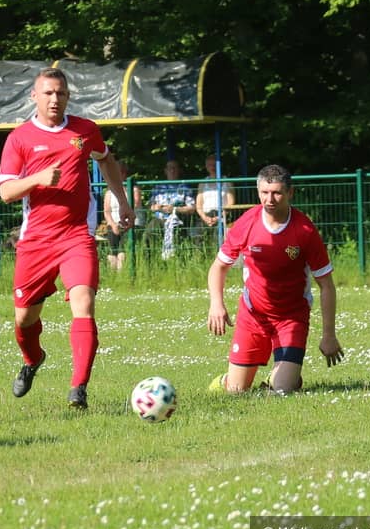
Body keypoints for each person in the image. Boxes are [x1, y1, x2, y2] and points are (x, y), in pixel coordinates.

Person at [0, 67, 132, 409]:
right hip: (36, 241)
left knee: (83, 302)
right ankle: (33, 359)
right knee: (24, 319)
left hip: (76, 236)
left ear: (68, 96)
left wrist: (122, 200)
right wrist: (38, 178)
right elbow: (6, 192)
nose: (54, 99)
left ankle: (78, 389)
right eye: (47, 93)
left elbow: (106, 160)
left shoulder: (85, 130)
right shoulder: (20, 138)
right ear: (34, 96)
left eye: (60, 93)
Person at [207, 164, 343, 395]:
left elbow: (326, 285)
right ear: (258, 191)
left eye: (277, 193)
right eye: (264, 192)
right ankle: (228, 381)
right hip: (253, 315)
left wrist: (329, 335)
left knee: (282, 390)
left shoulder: (305, 230)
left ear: (290, 193)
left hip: (291, 318)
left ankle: (285, 377)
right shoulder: (247, 222)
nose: (269, 199)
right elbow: (218, 267)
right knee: (236, 391)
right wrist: (216, 304)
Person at [145, 159, 196, 260]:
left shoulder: (185, 187)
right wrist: (156, 208)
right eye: (169, 168)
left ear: (179, 170)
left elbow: (192, 208)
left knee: (176, 231)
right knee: (149, 232)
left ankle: (175, 260)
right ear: (165, 171)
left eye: (174, 168)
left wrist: (175, 209)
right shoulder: (158, 187)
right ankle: (151, 261)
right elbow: (150, 206)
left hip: (177, 219)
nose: (172, 170)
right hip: (159, 219)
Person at [103, 159, 142, 270]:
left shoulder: (134, 189)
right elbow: (107, 211)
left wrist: (123, 223)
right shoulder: (109, 192)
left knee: (122, 251)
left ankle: (122, 273)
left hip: (131, 224)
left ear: (124, 173)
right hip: (115, 224)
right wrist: (112, 224)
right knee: (112, 251)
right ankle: (113, 274)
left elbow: (135, 204)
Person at [195, 154, 236, 243]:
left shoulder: (228, 182)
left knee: (218, 235)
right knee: (197, 234)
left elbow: (231, 204)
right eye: (209, 165)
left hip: (222, 215)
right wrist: (204, 217)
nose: (212, 167)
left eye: (214, 165)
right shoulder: (202, 183)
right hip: (205, 215)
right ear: (206, 166)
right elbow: (199, 205)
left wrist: (218, 217)